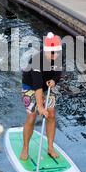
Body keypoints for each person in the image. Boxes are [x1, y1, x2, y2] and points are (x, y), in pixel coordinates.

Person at [20, 32, 63, 161]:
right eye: (53, 53)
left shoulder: (57, 55)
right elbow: (37, 86)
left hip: (48, 86)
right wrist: (39, 106)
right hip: (30, 86)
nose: (55, 55)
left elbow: (58, 72)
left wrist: (54, 81)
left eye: (57, 52)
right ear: (45, 51)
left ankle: (50, 147)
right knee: (32, 116)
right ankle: (25, 148)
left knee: (51, 114)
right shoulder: (37, 60)